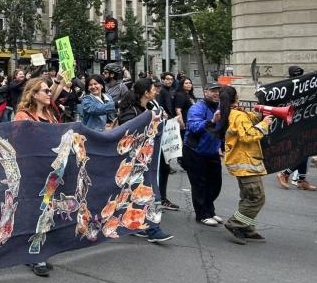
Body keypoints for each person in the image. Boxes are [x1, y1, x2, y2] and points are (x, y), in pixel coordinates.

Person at [117, 78, 175, 243]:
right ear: (146, 93)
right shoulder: (131, 112)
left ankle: (140, 225)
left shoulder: (148, 108)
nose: (156, 92)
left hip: (146, 160)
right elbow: (129, 133)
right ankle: (153, 230)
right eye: (153, 89)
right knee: (150, 194)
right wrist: (154, 122)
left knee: (140, 195)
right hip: (136, 162)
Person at [11, 77, 57, 277]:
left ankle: (39, 247)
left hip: (50, 169)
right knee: (34, 210)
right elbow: (18, 143)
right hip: (32, 169)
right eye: (45, 91)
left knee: (46, 208)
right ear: (34, 94)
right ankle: (32, 254)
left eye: (49, 91)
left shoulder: (49, 113)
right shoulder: (23, 116)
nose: (49, 93)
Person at [217, 85, 273, 244]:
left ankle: (247, 227)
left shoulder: (232, 112)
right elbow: (248, 136)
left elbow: (250, 119)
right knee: (257, 198)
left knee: (248, 197)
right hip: (246, 163)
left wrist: (262, 114)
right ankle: (235, 223)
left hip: (242, 162)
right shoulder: (237, 115)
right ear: (235, 98)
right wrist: (264, 124)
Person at [183, 82, 224, 226]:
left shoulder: (220, 107)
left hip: (212, 151)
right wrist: (212, 121)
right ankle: (202, 214)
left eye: (219, 91)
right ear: (205, 92)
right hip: (195, 151)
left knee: (215, 184)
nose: (217, 93)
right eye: (213, 91)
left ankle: (210, 210)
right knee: (199, 184)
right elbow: (194, 127)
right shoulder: (197, 107)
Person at [275, 65, 317, 191]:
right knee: (303, 152)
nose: (299, 76)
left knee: (306, 151)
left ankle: (301, 180)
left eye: (300, 74)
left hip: (305, 123)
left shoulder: (305, 87)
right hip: (293, 126)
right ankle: (285, 174)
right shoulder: (287, 88)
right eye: (296, 74)